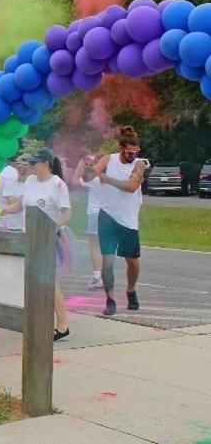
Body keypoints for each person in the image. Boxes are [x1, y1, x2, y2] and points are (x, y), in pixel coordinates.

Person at [0, 148, 73, 341]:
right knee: (32, 281)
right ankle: (37, 320)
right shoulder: (30, 181)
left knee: (49, 282)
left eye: (33, 163)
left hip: (47, 239)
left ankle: (62, 325)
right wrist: (2, 211)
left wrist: (49, 227)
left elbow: (66, 214)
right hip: (29, 238)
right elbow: (20, 205)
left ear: (45, 164)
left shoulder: (57, 185)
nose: (30, 166)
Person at [93, 126, 145, 316]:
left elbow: (132, 186)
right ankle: (110, 299)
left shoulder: (139, 164)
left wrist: (108, 179)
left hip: (128, 219)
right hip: (108, 215)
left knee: (133, 262)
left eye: (136, 152)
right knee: (108, 260)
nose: (133, 155)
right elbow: (96, 170)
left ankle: (131, 290)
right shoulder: (110, 158)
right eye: (130, 152)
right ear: (121, 148)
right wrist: (95, 171)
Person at [72, 154, 104, 290]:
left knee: (94, 246)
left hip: (95, 214)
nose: (88, 167)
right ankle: (105, 275)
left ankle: (97, 276)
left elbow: (74, 181)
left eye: (90, 164)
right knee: (106, 247)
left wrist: (79, 166)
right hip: (107, 215)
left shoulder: (93, 180)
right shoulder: (104, 179)